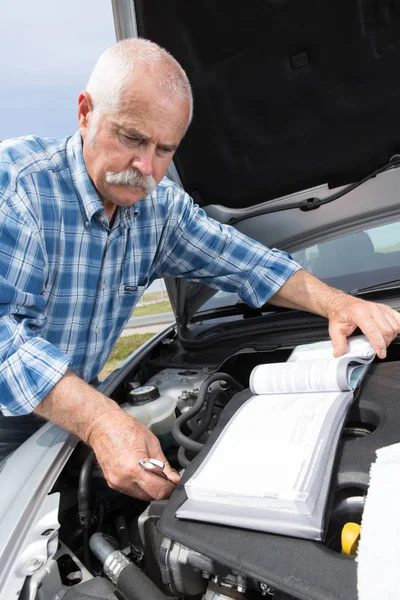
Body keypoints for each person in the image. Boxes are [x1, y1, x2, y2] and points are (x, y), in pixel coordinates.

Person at [0, 39, 399, 500]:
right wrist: (100, 419)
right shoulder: (18, 187)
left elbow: (249, 264)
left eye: (164, 149)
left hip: (70, 405)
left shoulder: (159, 210)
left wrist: (339, 303)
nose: (145, 167)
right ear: (85, 112)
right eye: (131, 137)